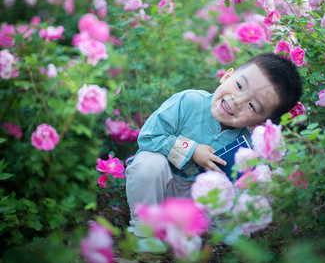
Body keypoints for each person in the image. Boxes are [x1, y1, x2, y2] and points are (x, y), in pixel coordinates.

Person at [125, 52, 302, 243]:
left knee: (238, 197)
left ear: (259, 121)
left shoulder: (247, 146)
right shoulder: (189, 102)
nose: (238, 100)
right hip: (162, 187)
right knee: (149, 163)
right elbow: (149, 136)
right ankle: (145, 233)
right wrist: (192, 150)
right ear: (227, 76)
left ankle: (197, 236)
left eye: (252, 105)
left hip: (196, 204)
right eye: (239, 86)